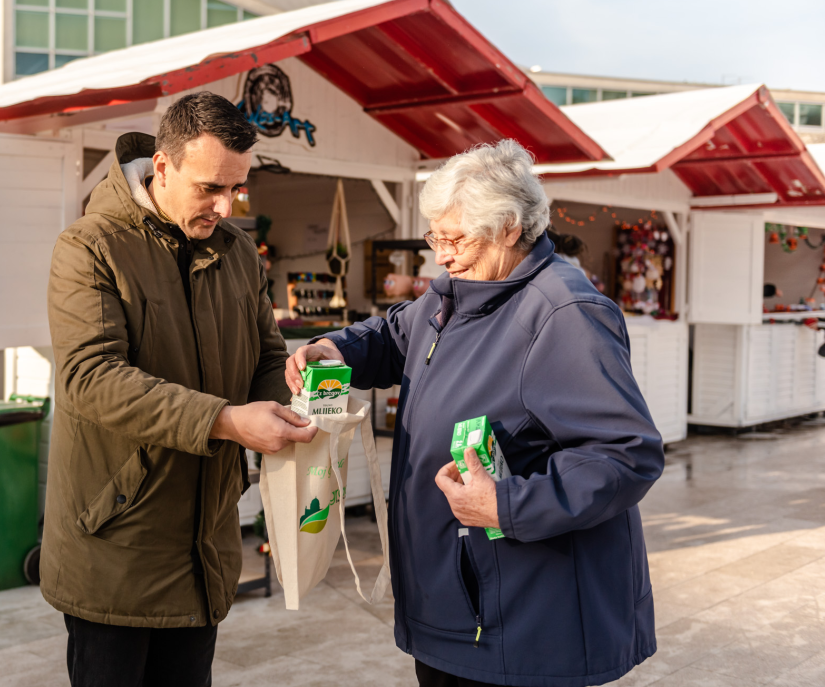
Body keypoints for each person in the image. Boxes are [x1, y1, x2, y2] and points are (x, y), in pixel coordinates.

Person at [287, 140, 664, 687]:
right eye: (435, 237)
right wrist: (335, 349)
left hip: (524, 619)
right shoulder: (459, 289)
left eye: (455, 237)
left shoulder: (564, 313)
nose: (440, 254)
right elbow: (394, 335)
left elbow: (626, 455)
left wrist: (508, 503)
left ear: (510, 228)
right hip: (458, 605)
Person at [43, 92, 317, 687]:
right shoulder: (88, 246)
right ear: (161, 168)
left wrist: (303, 395)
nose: (224, 205)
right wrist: (226, 421)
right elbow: (91, 379)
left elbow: (266, 357)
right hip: (115, 543)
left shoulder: (239, 252)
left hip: (204, 549)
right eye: (209, 187)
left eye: (236, 189)